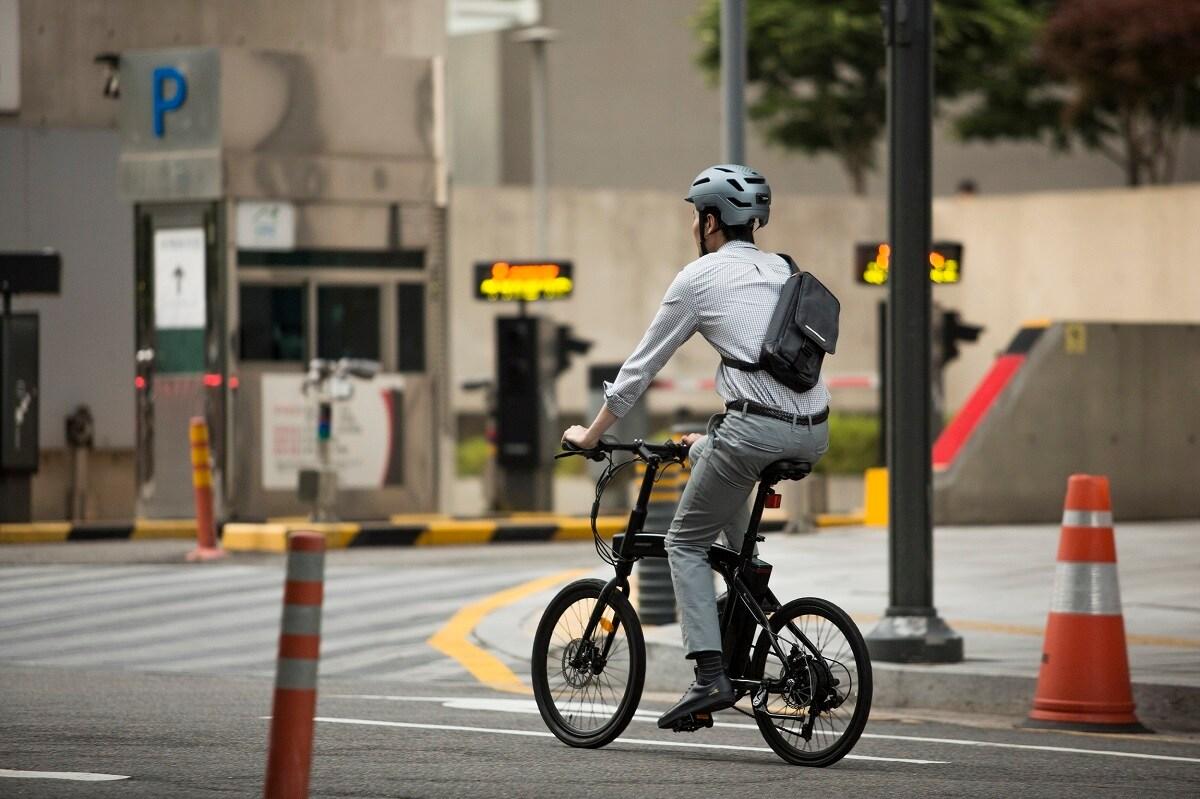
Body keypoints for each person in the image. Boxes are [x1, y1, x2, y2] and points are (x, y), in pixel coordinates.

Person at [561, 164, 831, 729]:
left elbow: (640, 368)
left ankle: (711, 676)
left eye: (695, 214)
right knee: (726, 508)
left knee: (684, 543)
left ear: (710, 220)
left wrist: (590, 434)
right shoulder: (781, 268)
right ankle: (750, 607)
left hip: (755, 432)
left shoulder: (699, 278)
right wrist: (703, 443)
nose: (693, 224)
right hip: (813, 429)